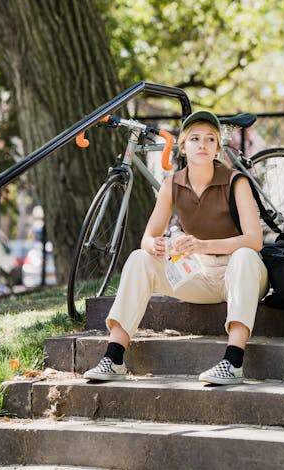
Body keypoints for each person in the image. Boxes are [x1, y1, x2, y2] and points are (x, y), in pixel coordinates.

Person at [83, 109, 269, 386]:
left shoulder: (235, 181)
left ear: (218, 147)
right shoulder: (172, 184)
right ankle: (114, 357)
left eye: (209, 139)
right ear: (183, 146)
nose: (202, 145)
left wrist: (202, 244)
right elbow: (147, 238)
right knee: (138, 259)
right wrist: (158, 245)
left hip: (240, 274)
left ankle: (233, 362)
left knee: (244, 255)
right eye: (194, 138)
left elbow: (254, 241)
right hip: (200, 275)